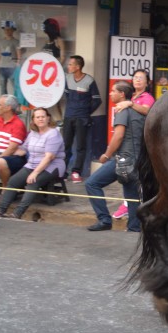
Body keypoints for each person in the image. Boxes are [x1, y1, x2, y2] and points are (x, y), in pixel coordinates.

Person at [85, 82, 145, 232]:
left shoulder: (123, 111)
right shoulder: (138, 112)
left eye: (113, 91)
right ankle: (134, 227)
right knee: (131, 194)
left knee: (92, 183)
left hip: (124, 159)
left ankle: (104, 219)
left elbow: (118, 136)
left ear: (122, 94)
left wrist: (106, 154)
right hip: (137, 159)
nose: (110, 94)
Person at [0, 108, 66, 220]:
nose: (41, 119)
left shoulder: (53, 134)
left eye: (43, 116)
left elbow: (49, 157)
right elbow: (23, 149)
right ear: (33, 120)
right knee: (13, 181)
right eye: (37, 117)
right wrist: (5, 155)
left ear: (48, 118)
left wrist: (35, 173)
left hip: (52, 166)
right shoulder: (33, 133)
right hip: (32, 164)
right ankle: (0, 211)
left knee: (33, 182)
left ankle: (17, 214)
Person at [111, 69, 155, 219]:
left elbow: (147, 111)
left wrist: (129, 104)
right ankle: (128, 205)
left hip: (139, 143)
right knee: (128, 177)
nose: (137, 80)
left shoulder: (146, 97)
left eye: (141, 78)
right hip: (127, 145)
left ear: (147, 82)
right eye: (135, 77)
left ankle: (132, 208)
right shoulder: (131, 96)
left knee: (134, 177)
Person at [62, 56, 102, 184]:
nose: (68, 66)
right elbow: (67, 95)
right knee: (65, 145)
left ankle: (76, 172)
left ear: (78, 67)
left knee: (80, 146)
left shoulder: (89, 81)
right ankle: (62, 171)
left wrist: (85, 112)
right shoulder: (67, 79)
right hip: (68, 116)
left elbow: (97, 100)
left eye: (70, 64)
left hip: (82, 119)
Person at [0, 95, 28, 189]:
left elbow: (11, 149)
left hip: (14, 158)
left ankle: (6, 189)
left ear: (8, 108)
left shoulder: (18, 124)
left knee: (1, 161)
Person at [0, 21, 21, 95]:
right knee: (2, 87)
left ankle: (16, 104)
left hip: (12, 67)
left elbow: (18, 54)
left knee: (15, 87)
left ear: (13, 30)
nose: (7, 31)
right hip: (2, 67)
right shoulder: (1, 42)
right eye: (5, 29)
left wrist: (18, 64)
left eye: (9, 29)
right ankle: (3, 104)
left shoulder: (16, 41)